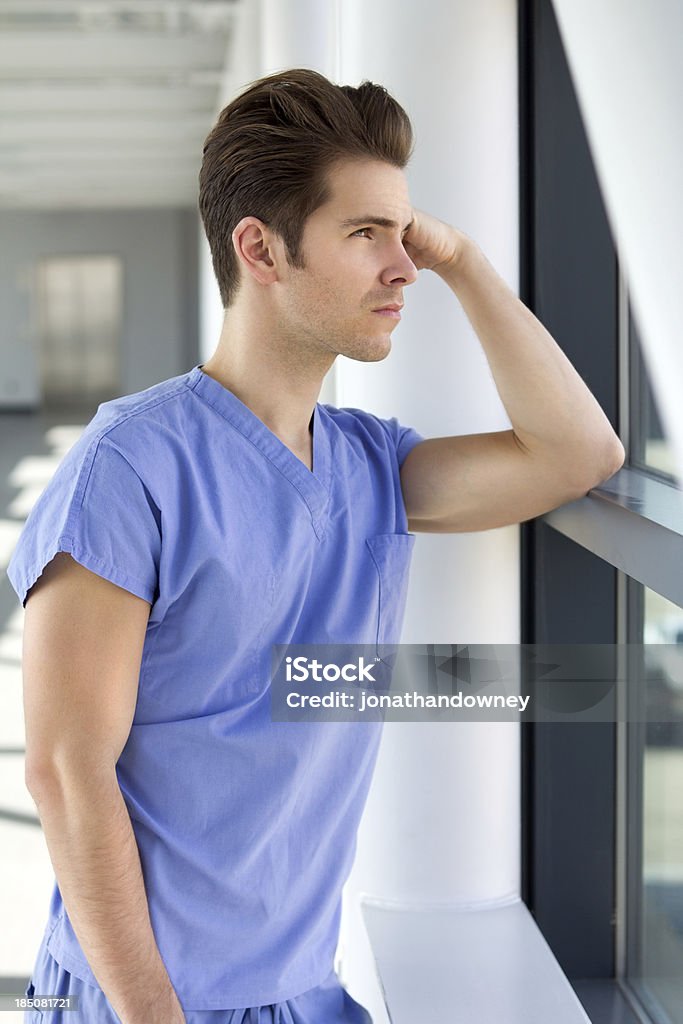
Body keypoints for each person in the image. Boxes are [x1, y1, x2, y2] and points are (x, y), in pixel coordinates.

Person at [7, 67, 624, 1024]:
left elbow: (578, 453)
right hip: (140, 1001)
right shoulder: (132, 463)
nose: (402, 267)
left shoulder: (371, 465)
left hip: (302, 991)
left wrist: (462, 261)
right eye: (365, 233)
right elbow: (63, 769)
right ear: (260, 248)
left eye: (405, 232)